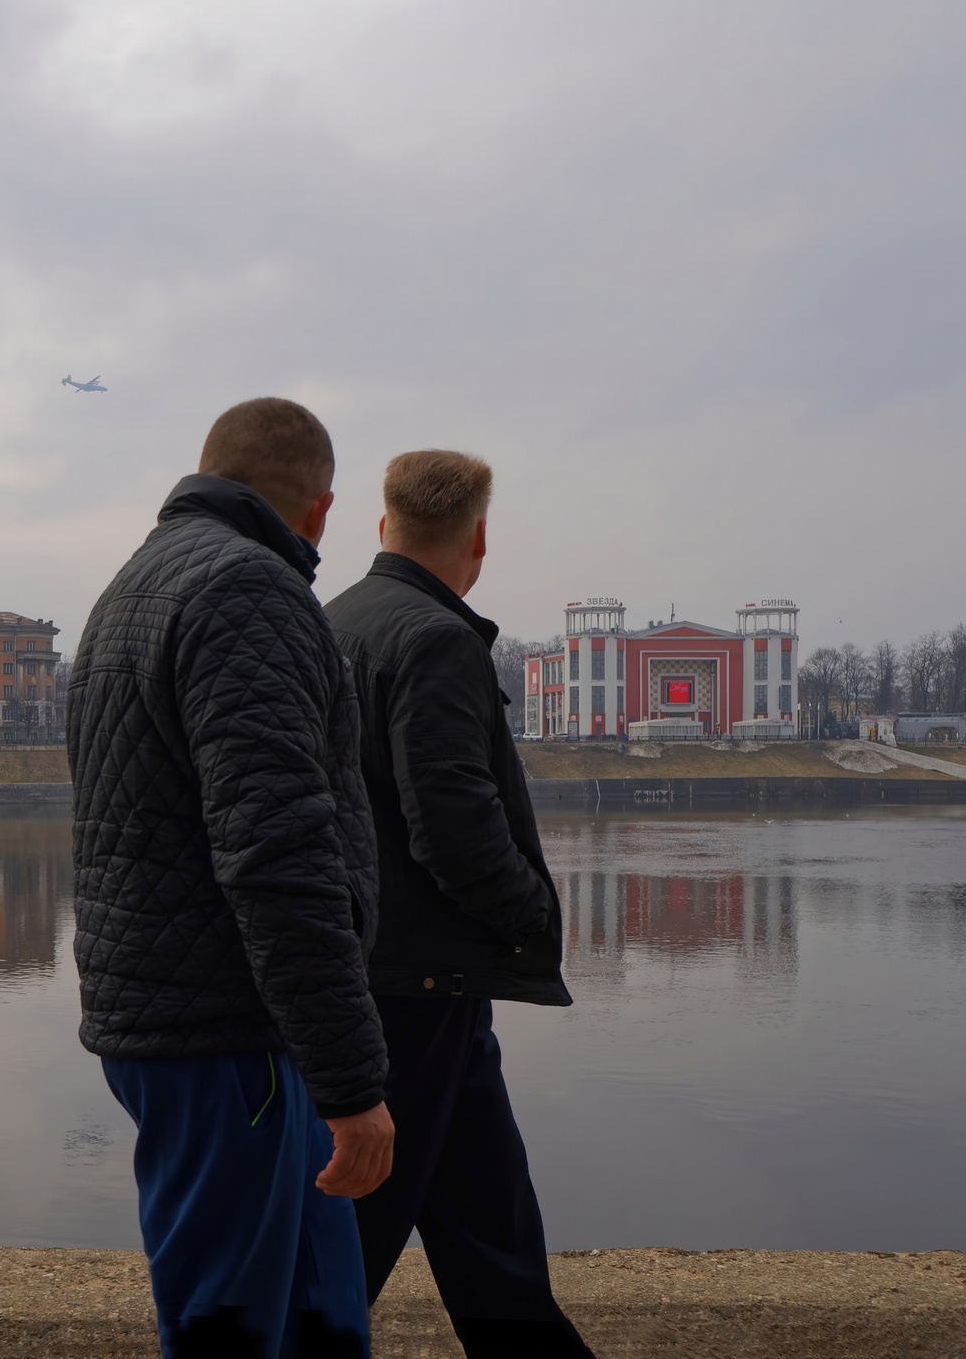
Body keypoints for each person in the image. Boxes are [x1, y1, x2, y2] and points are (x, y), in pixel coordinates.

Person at [67, 397, 396, 1359]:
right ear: (322, 511)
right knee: (233, 1329)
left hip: (194, 1023)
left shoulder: (138, 584)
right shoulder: (248, 592)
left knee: (316, 1314)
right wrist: (352, 1082)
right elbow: (278, 855)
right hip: (232, 1041)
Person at [324, 450, 594, 1358]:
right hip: (419, 985)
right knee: (350, 1249)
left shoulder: (335, 623)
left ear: (381, 526)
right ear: (479, 536)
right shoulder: (436, 638)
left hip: (389, 974)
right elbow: (454, 824)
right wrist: (528, 914)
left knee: (491, 1233)